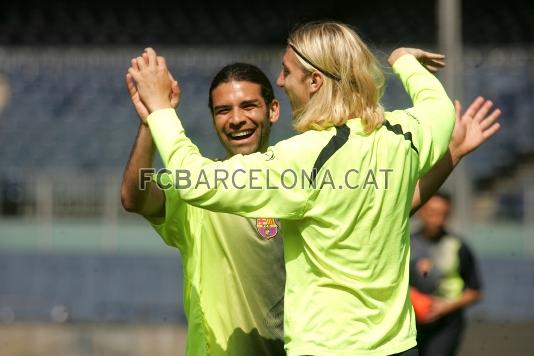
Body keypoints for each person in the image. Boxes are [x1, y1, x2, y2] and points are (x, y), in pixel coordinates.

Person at [127, 21, 498, 355]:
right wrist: (404, 59)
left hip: (325, 348)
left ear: (315, 81)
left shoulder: (301, 159)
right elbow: (439, 109)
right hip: (397, 346)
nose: (283, 80)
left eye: (287, 72)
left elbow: (195, 179)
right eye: (223, 110)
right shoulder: (403, 134)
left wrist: (160, 108)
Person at [121, 63, 286, 356]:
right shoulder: (198, 186)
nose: (236, 119)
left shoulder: (298, 181)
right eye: (223, 110)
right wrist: (150, 122)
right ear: (213, 120)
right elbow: (135, 197)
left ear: (272, 110)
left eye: (248, 106)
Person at [410, 191, 484, 356]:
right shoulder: (406, 244)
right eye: (432, 213)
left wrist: (444, 307)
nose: (437, 219)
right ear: (421, 211)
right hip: (411, 323)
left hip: (446, 323)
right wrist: (414, 299)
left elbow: (475, 291)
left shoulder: (458, 246)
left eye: (443, 214)